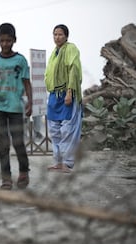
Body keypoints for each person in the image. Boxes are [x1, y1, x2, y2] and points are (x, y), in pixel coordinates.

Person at [0, 23, 32, 190]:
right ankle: (6, 178)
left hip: (16, 107)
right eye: (2, 41)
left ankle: (24, 171)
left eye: (8, 41)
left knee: (18, 142)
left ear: (14, 40)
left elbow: (26, 82)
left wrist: (30, 102)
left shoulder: (21, 60)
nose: (5, 44)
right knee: (3, 145)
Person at [45, 24, 82, 173]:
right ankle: (58, 161)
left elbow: (74, 69)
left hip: (67, 94)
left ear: (66, 36)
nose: (57, 37)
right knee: (54, 130)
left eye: (60, 34)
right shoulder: (55, 52)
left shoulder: (71, 49)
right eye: (55, 34)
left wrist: (69, 92)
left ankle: (68, 162)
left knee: (68, 129)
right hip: (54, 95)